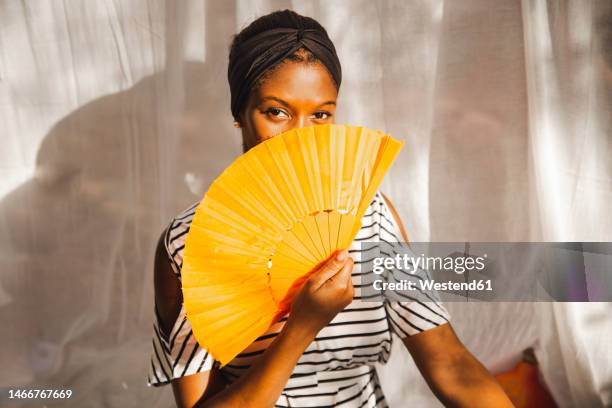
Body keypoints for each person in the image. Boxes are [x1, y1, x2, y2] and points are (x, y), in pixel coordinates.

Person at [147, 9, 514, 408]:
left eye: (320, 115)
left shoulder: (369, 215)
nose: (301, 138)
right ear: (239, 112)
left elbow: (450, 363)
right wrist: (301, 328)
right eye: (277, 112)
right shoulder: (188, 244)